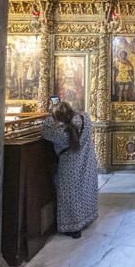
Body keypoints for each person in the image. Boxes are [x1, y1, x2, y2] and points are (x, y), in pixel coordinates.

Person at [41, 102, 99, 239]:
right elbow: (79, 112)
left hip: (70, 167)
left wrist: (51, 114)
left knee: (70, 196)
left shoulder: (58, 133)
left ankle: (74, 227)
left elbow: (44, 131)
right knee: (85, 190)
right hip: (88, 162)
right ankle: (87, 217)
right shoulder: (85, 118)